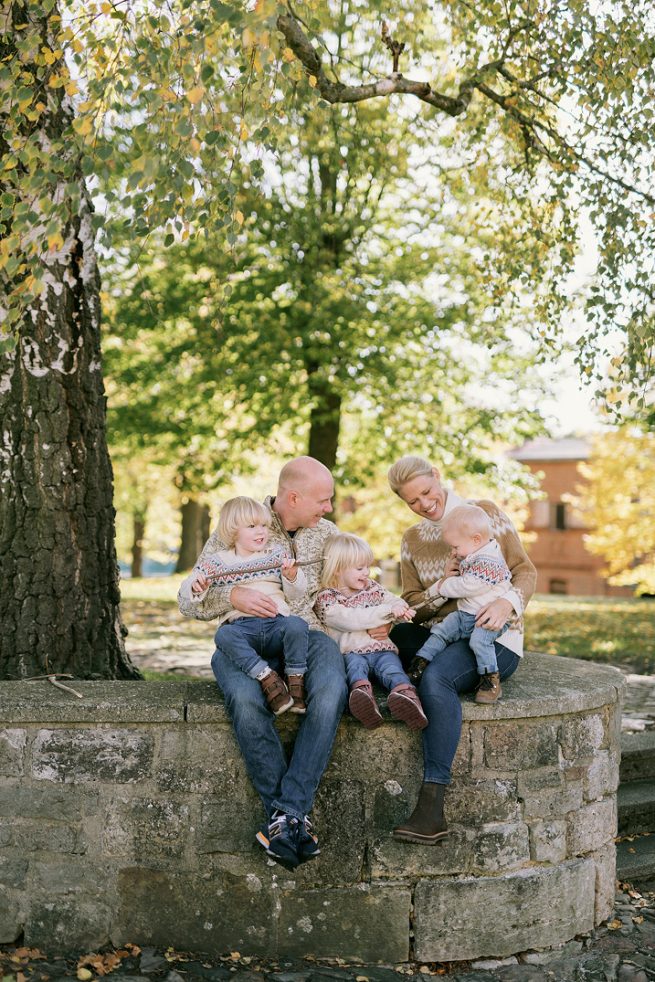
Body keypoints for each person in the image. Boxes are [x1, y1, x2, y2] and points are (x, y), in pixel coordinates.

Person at [178, 457, 348, 872]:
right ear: (294, 497)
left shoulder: (327, 535)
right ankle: (290, 818)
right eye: (323, 500)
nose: (328, 508)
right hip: (244, 638)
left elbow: (352, 582)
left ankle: (284, 816)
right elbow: (192, 600)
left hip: (306, 634)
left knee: (331, 692)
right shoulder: (242, 522)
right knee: (243, 699)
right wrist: (231, 596)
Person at [385, 455, 537, 845]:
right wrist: (440, 588)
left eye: (426, 491)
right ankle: (392, 689)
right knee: (391, 637)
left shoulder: (485, 514)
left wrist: (507, 603)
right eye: (412, 500)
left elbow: (525, 571)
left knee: (436, 678)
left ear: (437, 477)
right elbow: (412, 606)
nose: (424, 504)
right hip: (444, 632)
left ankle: (431, 810)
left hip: (491, 636)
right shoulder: (412, 539)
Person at [185, 495, 310, 716]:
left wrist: (292, 576)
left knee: (297, 625)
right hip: (242, 630)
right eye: (252, 527)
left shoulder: (275, 555)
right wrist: (197, 586)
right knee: (223, 635)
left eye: (264, 526)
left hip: (276, 624)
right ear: (233, 531)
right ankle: (267, 678)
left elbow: (297, 593)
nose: (261, 531)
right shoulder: (218, 561)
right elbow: (190, 586)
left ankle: (295, 684)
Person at [315, 532, 427, 730]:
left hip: (382, 648)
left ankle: (406, 697)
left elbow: (391, 599)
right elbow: (348, 619)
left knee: (393, 669)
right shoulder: (327, 597)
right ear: (337, 569)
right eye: (360, 568)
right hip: (350, 652)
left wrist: (399, 608)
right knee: (355, 669)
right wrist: (386, 612)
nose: (366, 572)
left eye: (368, 566)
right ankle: (363, 699)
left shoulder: (371, 587)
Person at [409, 503, 513, 705]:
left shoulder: (489, 561)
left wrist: (444, 585)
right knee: (441, 630)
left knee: (480, 641)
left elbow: (468, 586)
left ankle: (490, 679)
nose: (454, 551)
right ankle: (420, 663)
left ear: (476, 539)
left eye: (456, 547)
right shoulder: (475, 553)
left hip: (487, 618)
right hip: (466, 614)